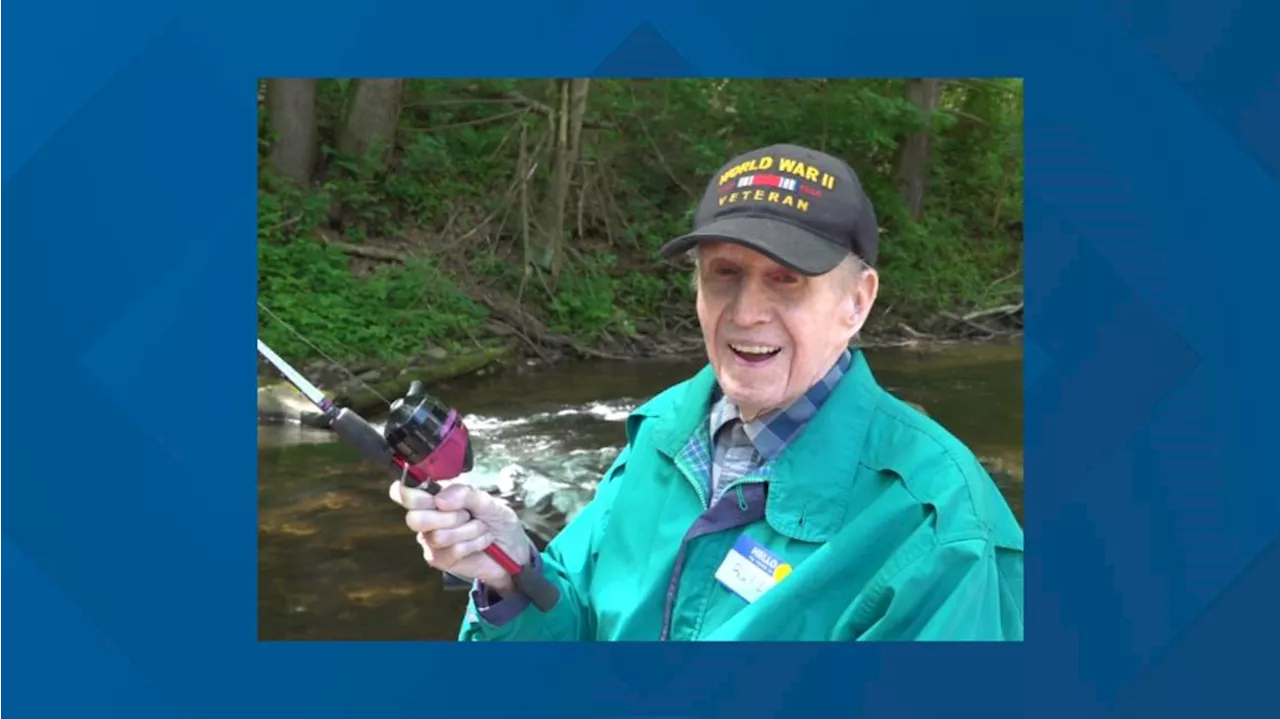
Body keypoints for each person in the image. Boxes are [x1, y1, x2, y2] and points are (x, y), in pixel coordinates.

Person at [389, 143, 1025, 641]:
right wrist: (510, 573)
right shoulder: (661, 435)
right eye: (725, 274)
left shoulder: (942, 529)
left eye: (787, 280)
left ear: (857, 302)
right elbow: (577, 622)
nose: (747, 313)